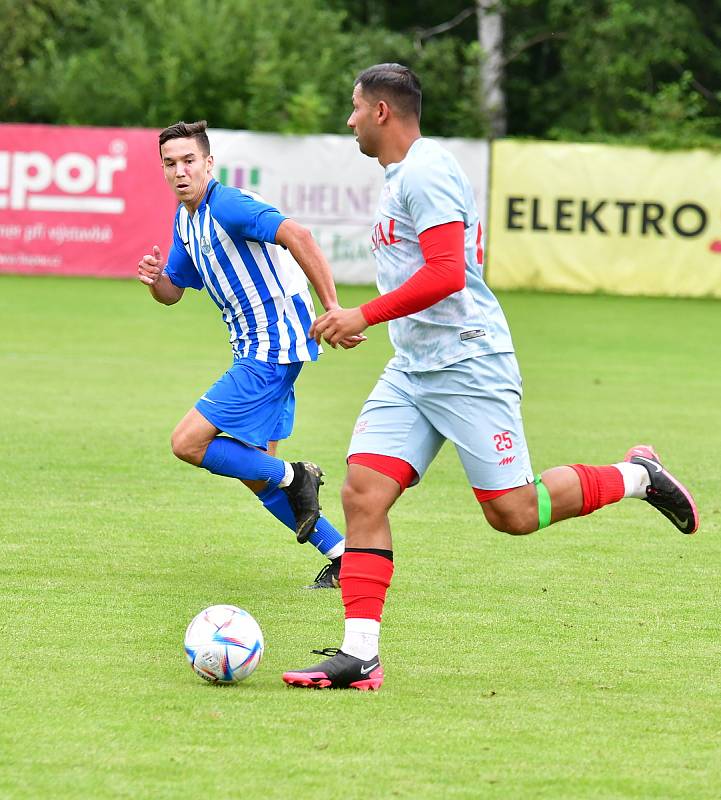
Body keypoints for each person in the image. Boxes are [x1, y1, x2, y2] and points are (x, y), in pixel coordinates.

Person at [281, 64, 699, 688]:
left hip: (469, 364)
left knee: (514, 512)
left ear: (382, 113)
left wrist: (361, 313)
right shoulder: (402, 178)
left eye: (355, 108)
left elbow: (448, 273)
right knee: (362, 492)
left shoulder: (427, 169)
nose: (349, 121)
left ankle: (637, 476)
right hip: (414, 370)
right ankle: (359, 654)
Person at [138, 120, 360, 589]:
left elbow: (299, 236)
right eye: (170, 164)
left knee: (188, 443)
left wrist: (334, 308)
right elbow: (174, 292)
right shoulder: (186, 219)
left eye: (189, 161)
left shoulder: (230, 205)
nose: (180, 171)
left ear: (208, 163)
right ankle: (343, 556)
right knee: (253, 470)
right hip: (261, 347)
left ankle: (296, 474)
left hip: (271, 345)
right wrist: (157, 278)